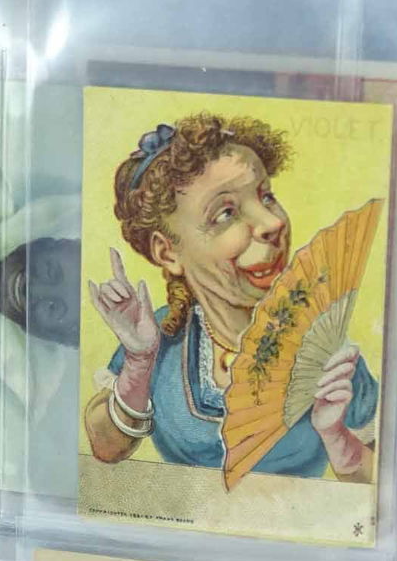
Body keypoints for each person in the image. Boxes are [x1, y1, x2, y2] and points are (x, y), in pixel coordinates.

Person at [83, 114, 376, 481]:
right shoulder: (158, 340)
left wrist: (336, 436)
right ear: (167, 252)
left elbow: (380, 489)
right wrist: (139, 364)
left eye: (266, 196)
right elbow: (105, 450)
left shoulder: (328, 349)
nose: (273, 223)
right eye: (226, 213)